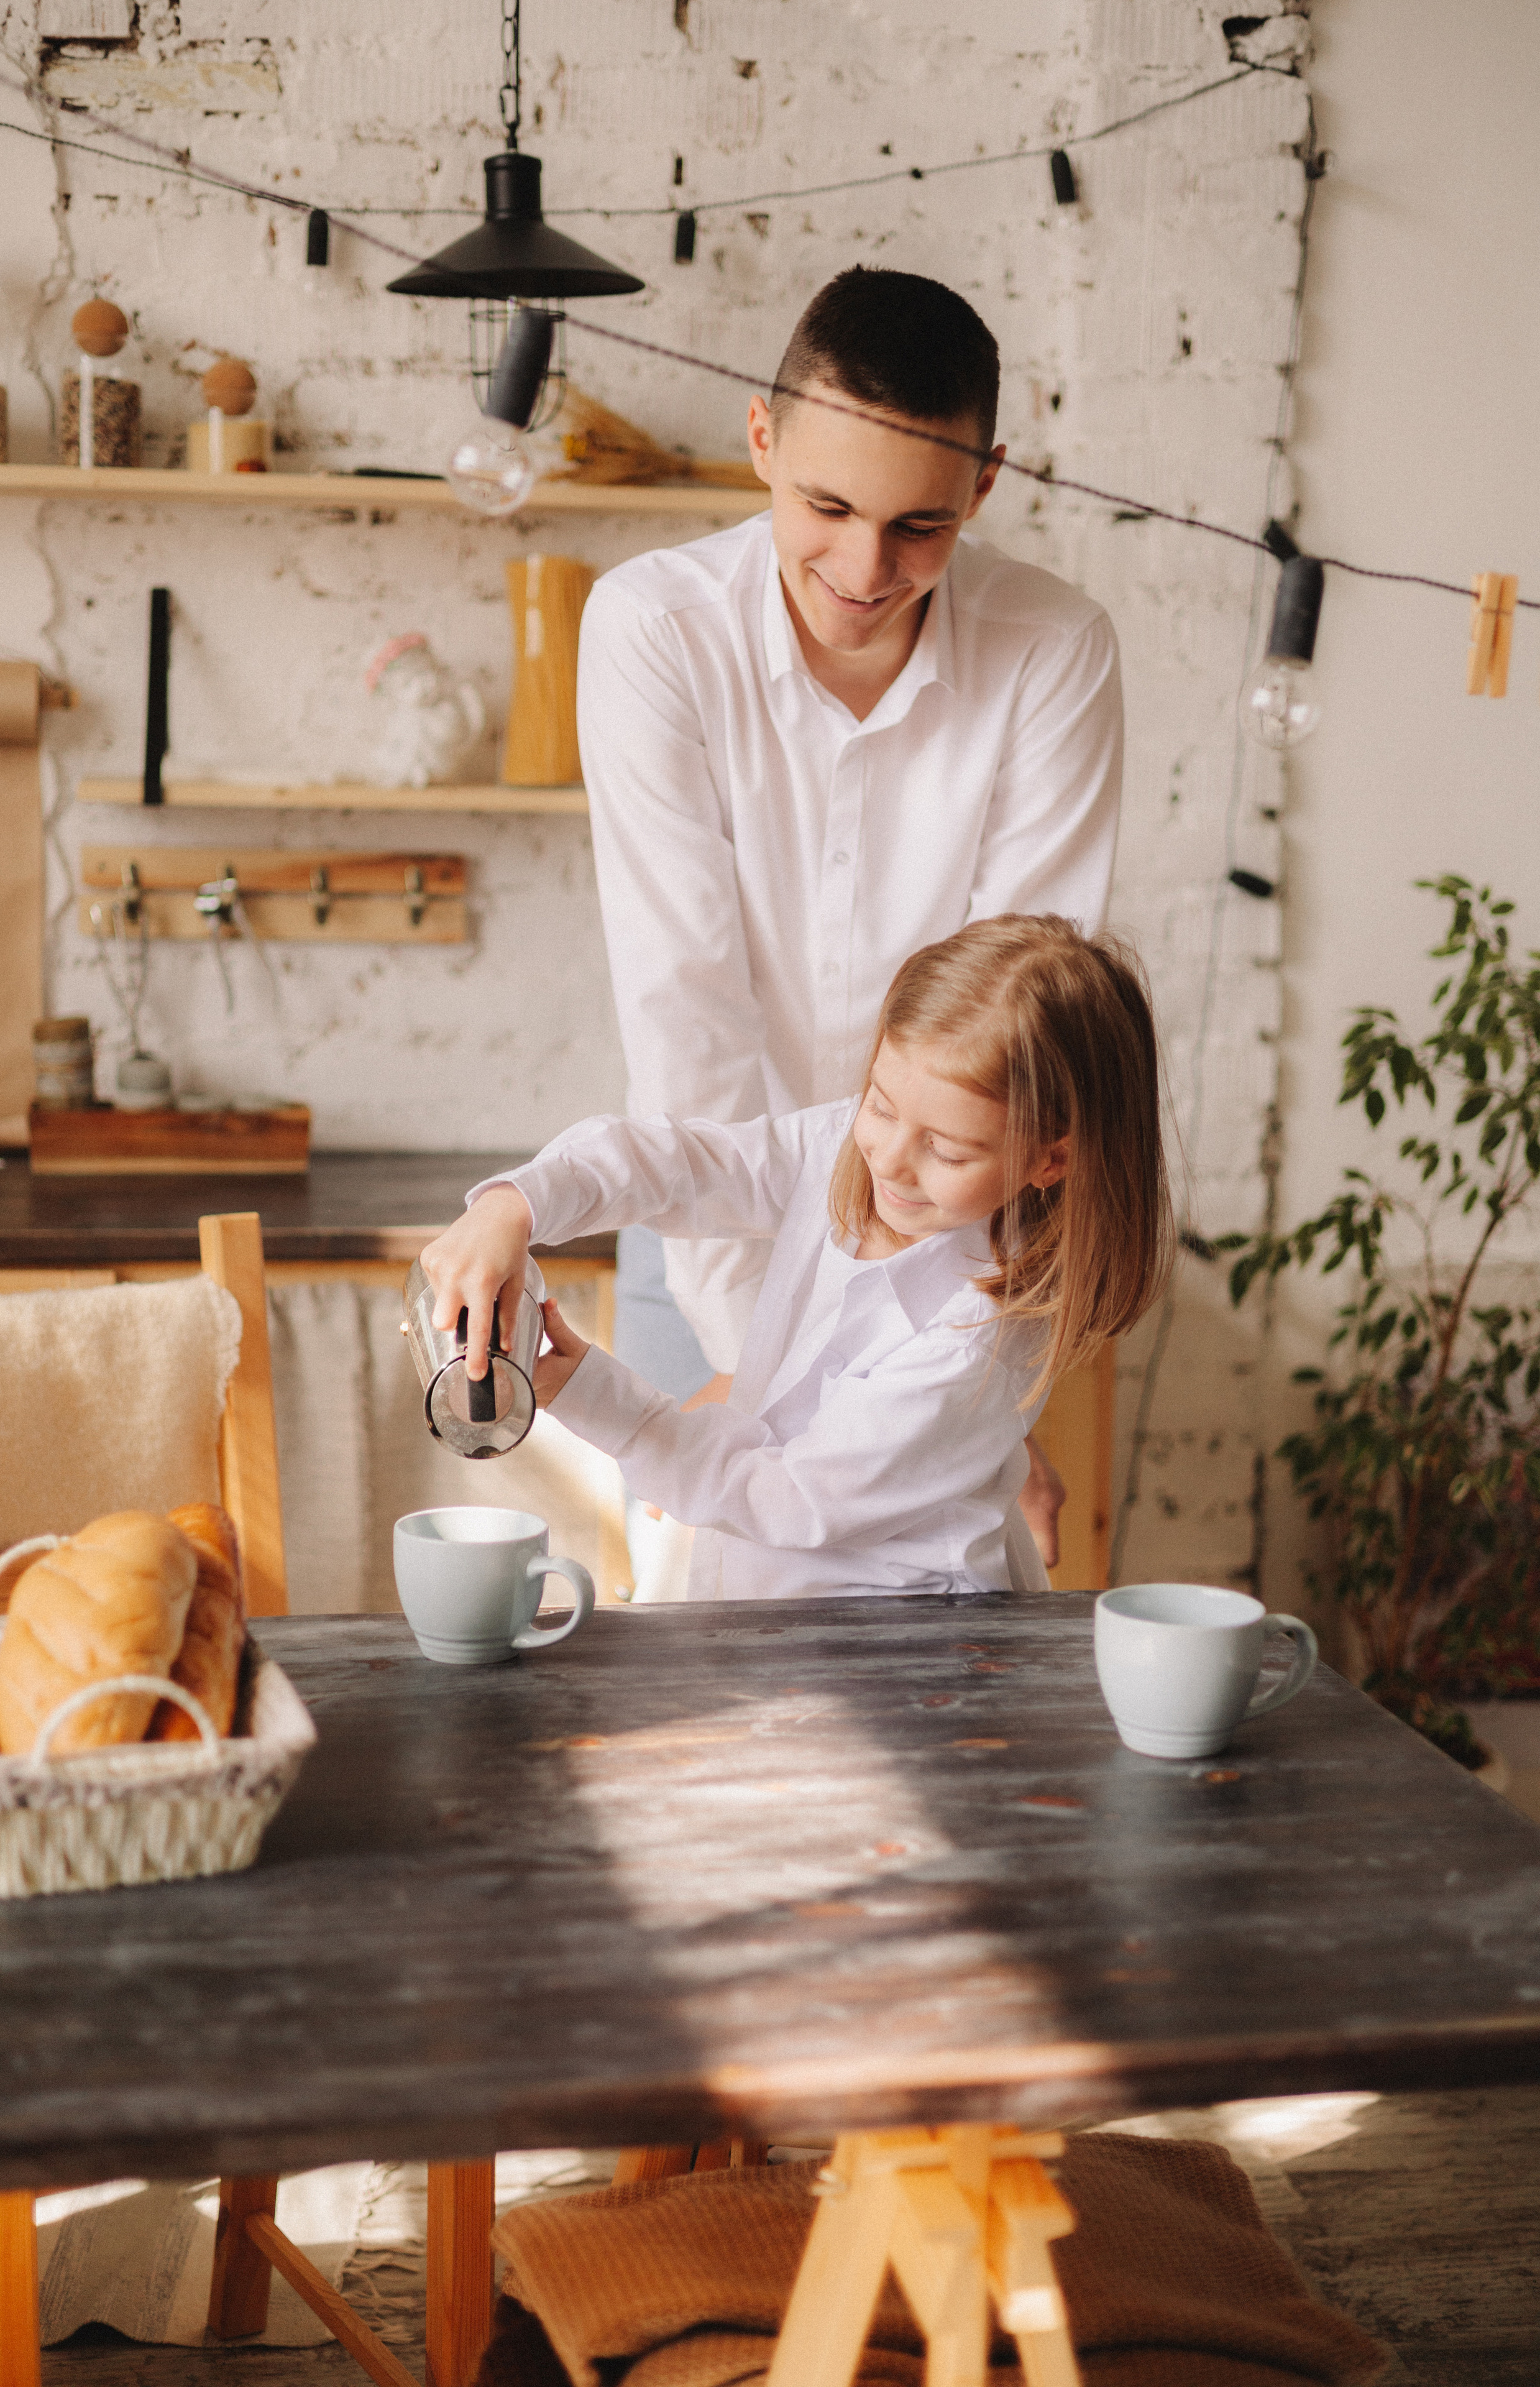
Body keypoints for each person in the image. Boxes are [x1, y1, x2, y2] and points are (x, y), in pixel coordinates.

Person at [577, 266, 1124, 1570]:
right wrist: (755, 1378)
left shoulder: (1052, 652)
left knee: (944, 1663)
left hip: (963, 1244)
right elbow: (684, 1008)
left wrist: (950, 1401)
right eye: (824, 506)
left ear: (985, 483)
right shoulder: (655, 632)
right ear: (760, 443)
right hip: (718, 1221)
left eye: (919, 527)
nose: (865, 569)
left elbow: (1025, 1028)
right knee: (704, 1633)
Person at [419, 916, 1171, 1601]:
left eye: (945, 1149)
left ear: (1051, 1160)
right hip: (757, 1586)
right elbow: (684, 1164)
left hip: (900, 1641)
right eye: (879, 1105)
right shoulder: (846, 1150)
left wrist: (597, 1398)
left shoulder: (983, 1338)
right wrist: (514, 1205)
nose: (890, 1161)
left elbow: (793, 1498)